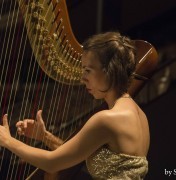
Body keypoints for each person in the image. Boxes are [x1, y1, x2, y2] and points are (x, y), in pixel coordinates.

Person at [0, 31, 149, 179]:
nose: (83, 78)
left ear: (110, 71)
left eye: (88, 70)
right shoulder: (139, 114)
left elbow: (52, 163)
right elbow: (79, 155)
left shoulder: (107, 119)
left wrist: (7, 140)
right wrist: (45, 136)